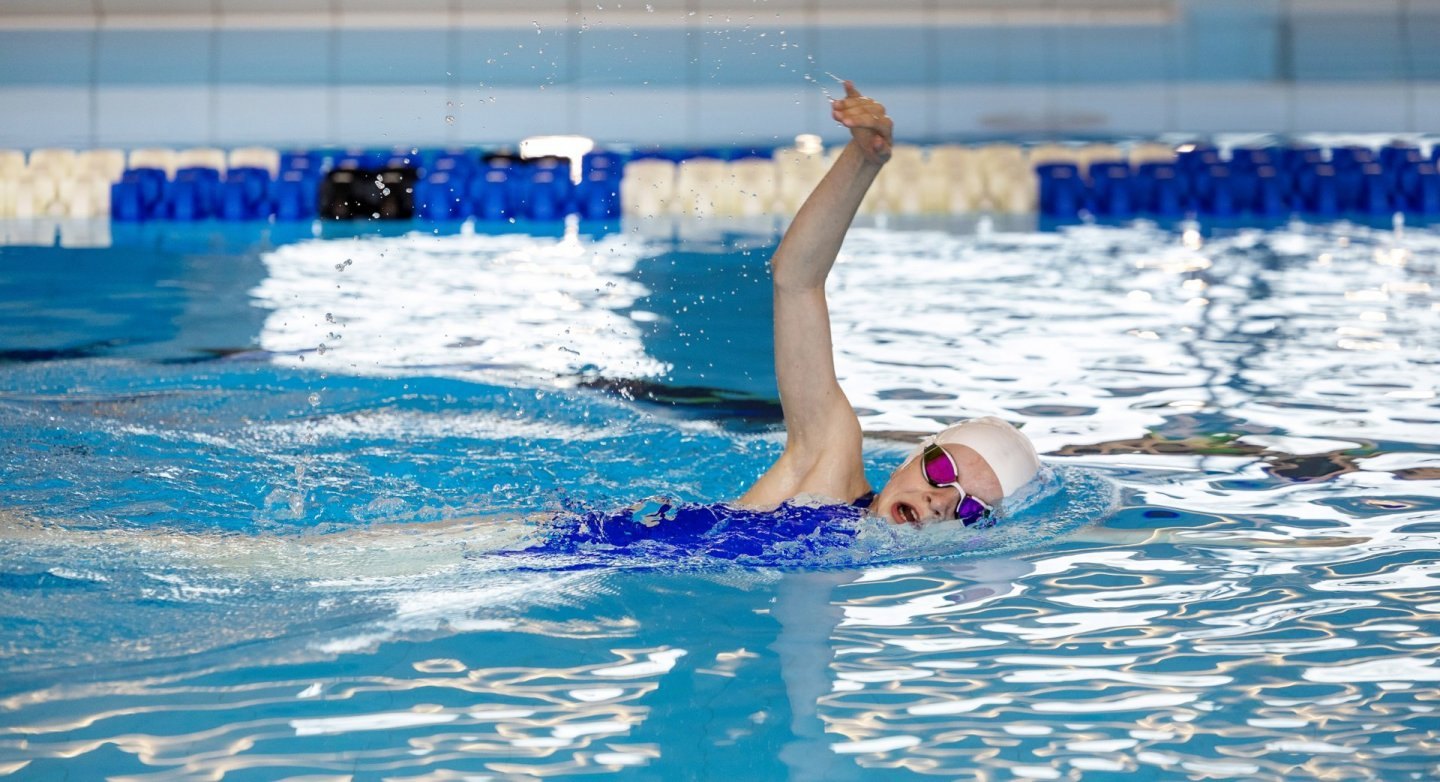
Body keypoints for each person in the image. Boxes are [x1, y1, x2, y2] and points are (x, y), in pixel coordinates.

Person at [738, 81, 1042, 526]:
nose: (941, 500)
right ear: (910, 459)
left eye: (971, 508)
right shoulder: (827, 474)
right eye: (942, 470)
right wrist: (865, 159)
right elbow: (796, 278)